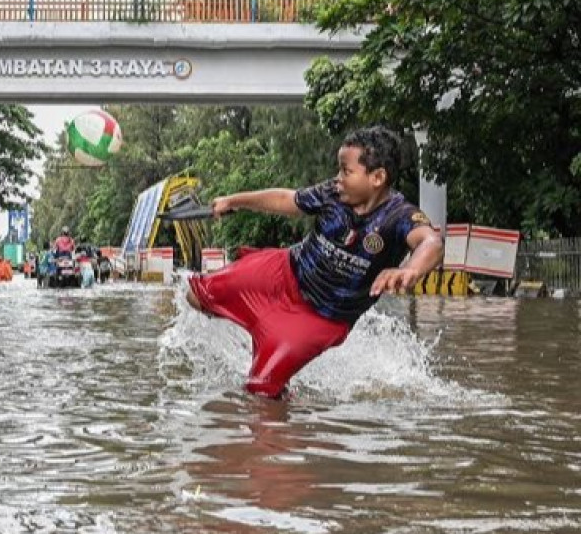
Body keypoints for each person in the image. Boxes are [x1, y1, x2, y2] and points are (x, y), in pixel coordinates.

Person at [186, 126, 444, 399]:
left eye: (346, 171)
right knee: (196, 295)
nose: (338, 178)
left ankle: (284, 390)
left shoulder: (400, 216)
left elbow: (431, 242)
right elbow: (286, 199)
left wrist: (411, 269)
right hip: (284, 273)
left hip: (320, 318)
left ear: (377, 177)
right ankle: (255, 328)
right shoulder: (332, 193)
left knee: (261, 393)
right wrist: (233, 200)